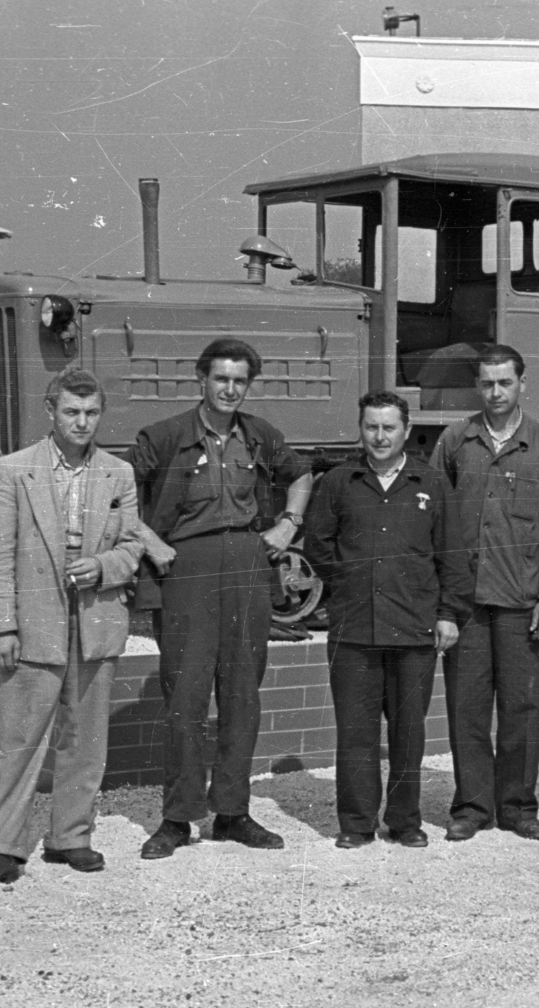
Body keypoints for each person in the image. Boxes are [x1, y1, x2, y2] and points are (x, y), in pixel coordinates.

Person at [129, 338, 313, 860]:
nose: (230, 389)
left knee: (241, 694)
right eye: (221, 379)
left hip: (249, 566)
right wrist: (150, 540)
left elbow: (301, 474)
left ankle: (232, 812)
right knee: (185, 696)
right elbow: (117, 493)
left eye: (239, 381)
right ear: (201, 381)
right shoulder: (163, 437)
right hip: (187, 568)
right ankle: (177, 818)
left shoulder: (260, 435)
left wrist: (287, 525)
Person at [0, 368, 145, 892]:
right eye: (71, 412)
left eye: (91, 413)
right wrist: (1, 628)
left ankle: (70, 836)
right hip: (34, 616)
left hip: (96, 616)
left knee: (86, 737)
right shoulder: (13, 470)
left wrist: (105, 567)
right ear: (51, 412)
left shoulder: (119, 473)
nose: (82, 422)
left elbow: (134, 545)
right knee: (20, 738)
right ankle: (1, 847)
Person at [303, 392, 471, 849]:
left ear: (405, 430)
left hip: (413, 628)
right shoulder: (339, 482)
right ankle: (356, 824)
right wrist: (350, 583)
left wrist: (448, 614)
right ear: (361, 429)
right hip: (354, 629)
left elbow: (453, 555)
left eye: (389, 428)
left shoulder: (431, 483)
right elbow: (318, 545)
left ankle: (404, 821)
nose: (380, 436)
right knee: (356, 733)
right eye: (372, 427)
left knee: (408, 732)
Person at [428, 343, 539, 841]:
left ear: (521, 384)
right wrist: (443, 605)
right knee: (467, 709)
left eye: (505, 382)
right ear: (477, 387)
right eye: (487, 383)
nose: (495, 392)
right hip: (466, 605)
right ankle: (471, 806)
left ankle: (517, 806)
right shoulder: (454, 440)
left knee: (522, 709)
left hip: (522, 603)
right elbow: (435, 523)